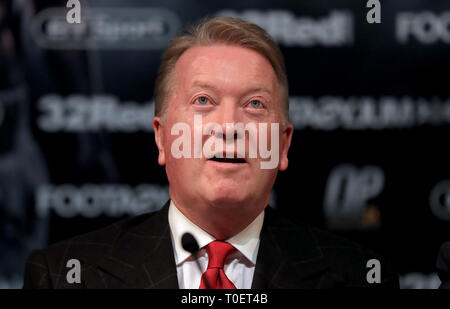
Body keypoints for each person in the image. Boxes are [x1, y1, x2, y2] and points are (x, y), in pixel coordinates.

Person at [23, 16, 399, 289]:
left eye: (254, 105)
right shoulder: (64, 276)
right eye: (203, 100)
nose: (229, 126)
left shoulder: (359, 275)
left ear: (283, 145)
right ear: (162, 137)